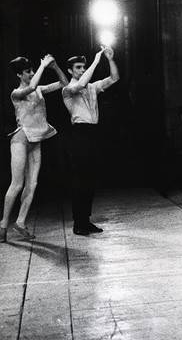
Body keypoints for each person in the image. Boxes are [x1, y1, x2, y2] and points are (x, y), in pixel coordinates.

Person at [1, 54, 68, 242]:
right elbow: (30, 87)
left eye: (32, 70)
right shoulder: (16, 93)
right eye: (27, 71)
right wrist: (42, 66)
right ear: (19, 75)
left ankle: (20, 223)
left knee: (32, 184)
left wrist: (54, 67)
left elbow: (64, 83)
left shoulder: (39, 89)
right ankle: (3, 224)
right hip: (21, 138)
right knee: (17, 184)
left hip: (36, 138)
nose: (31, 74)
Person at [62, 47, 119, 236]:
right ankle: (78, 222)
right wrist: (96, 61)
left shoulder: (92, 86)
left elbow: (114, 79)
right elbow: (79, 85)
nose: (81, 70)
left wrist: (110, 59)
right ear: (70, 70)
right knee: (80, 180)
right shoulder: (68, 89)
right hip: (80, 134)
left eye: (83, 67)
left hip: (93, 133)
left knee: (90, 179)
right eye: (78, 67)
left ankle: (86, 221)